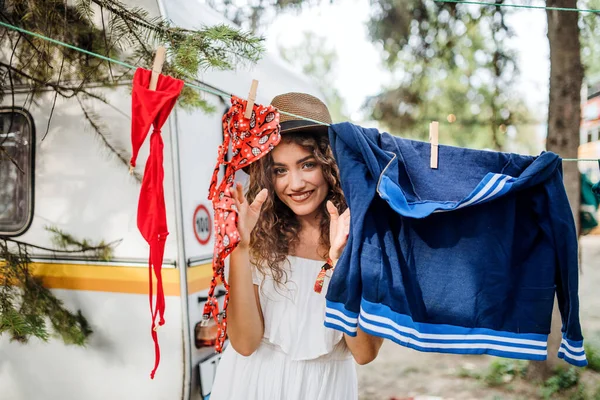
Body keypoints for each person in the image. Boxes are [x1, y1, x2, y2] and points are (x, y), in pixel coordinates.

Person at [209, 93, 384, 400]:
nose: (295, 184)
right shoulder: (257, 234)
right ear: (267, 175)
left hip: (326, 388)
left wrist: (341, 265)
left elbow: (365, 353)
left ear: (331, 165)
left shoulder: (365, 236)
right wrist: (241, 247)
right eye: (280, 170)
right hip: (251, 384)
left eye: (307, 165)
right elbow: (245, 343)